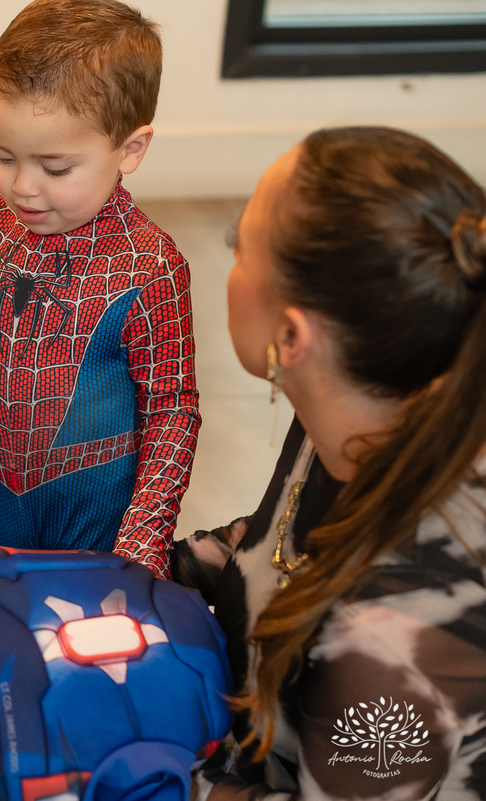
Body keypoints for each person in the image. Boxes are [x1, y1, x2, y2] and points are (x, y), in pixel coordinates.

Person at [173, 126, 486, 798]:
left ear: (291, 336)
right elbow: (280, 549)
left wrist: (143, 777)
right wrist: (149, 567)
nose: (226, 260)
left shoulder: (389, 639)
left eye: (237, 245)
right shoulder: (359, 399)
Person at [0, 0, 199, 579]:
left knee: (80, 646)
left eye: (55, 168)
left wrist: (145, 537)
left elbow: (172, 410)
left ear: (130, 149)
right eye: (4, 156)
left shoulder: (152, 268)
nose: (23, 187)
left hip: (97, 516)